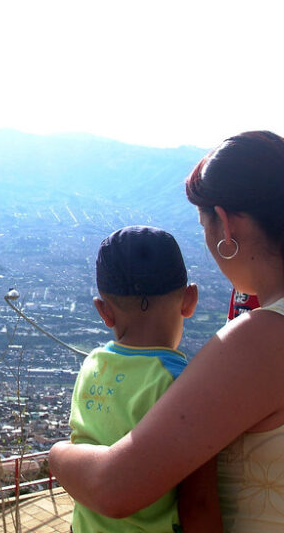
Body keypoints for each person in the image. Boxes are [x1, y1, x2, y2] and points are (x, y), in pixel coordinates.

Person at [49, 131, 284, 532]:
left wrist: (58, 454)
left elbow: (113, 488)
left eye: (204, 225)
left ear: (226, 225)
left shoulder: (262, 339)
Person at [68, 225, 221, 533]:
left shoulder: (92, 366)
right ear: (190, 299)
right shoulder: (184, 385)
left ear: (104, 312)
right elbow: (198, 500)